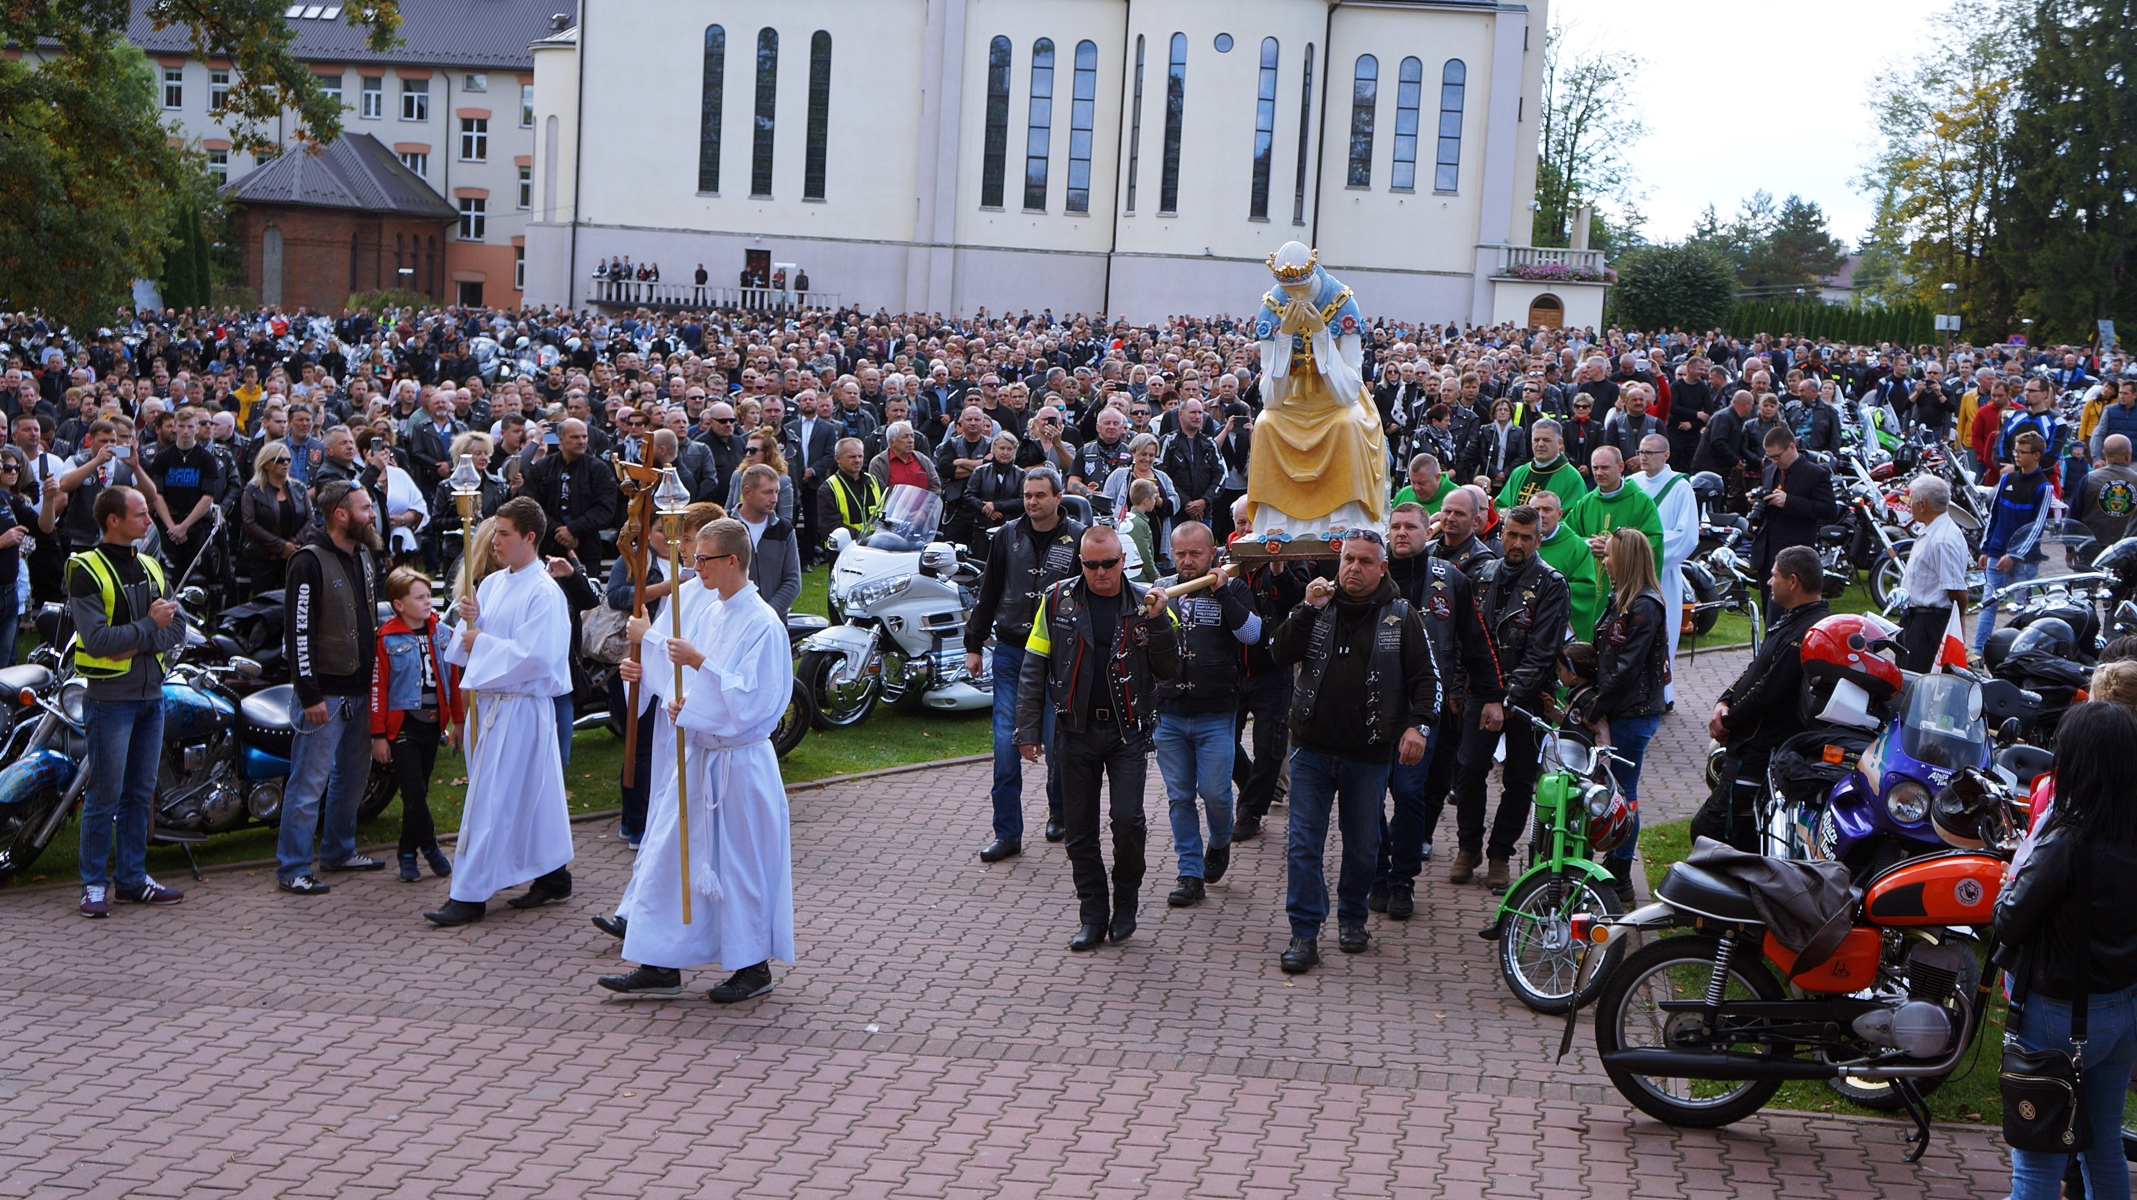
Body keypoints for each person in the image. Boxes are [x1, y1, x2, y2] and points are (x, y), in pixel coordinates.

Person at [600, 519, 798, 1004]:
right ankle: (661, 961)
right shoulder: (711, 611)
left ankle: (753, 966)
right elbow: (681, 676)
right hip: (700, 759)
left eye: (702, 558)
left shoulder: (763, 623)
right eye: (694, 557)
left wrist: (697, 666)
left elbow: (759, 700)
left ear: (733, 561)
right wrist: (670, 692)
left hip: (740, 765)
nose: (693, 566)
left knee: (739, 866)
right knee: (671, 857)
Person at [1269, 529, 1437, 972]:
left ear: (1381, 568)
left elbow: (1428, 681)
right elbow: (1279, 652)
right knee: (1303, 843)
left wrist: (1418, 726)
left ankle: (1352, 917)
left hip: (1369, 754)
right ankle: (1304, 933)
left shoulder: (1401, 616)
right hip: (1310, 748)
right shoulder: (1318, 607)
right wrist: (1307, 608)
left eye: (1365, 561)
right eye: (1348, 560)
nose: (1354, 569)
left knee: (1363, 845)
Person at [1993, 701, 2137, 1200]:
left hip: (2056, 1016)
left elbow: (2009, 921)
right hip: (2122, 1008)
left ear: (2076, 761)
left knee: (2035, 1171)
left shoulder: (2068, 840)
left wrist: (2008, 882)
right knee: (2104, 1151)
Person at [1014, 525, 1179, 951]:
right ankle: (1092, 912)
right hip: (1074, 730)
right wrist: (1028, 730)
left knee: (1127, 821)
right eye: (1091, 564)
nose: (1100, 572)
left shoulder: (1150, 601)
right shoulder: (1056, 601)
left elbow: (1173, 670)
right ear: (1081, 562)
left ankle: (1126, 902)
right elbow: (1034, 668)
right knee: (1079, 831)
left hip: (1128, 732)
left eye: (1108, 563)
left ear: (1123, 560)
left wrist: (1159, 621)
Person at [427, 497, 576, 926]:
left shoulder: (544, 592)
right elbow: (469, 645)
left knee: (490, 803)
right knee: (531, 798)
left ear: (529, 538)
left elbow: (540, 657)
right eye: (495, 531)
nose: (494, 541)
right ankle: (552, 876)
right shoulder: (491, 586)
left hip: (521, 709)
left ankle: (469, 895)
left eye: (504, 533)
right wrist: (470, 624)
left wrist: (482, 642)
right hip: (492, 708)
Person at [68, 486, 187, 916]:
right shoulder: (85, 568)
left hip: (150, 695)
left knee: (140, 793)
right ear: (113, 520)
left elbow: (178, 627)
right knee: (104, 793)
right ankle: (94, 883)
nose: (148, 520)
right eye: (140, 514)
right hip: (110, 700)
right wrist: (147, 627)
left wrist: (134, 641)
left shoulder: (151, 564)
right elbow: (97, 640)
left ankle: (132, 880)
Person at [1375, 502, 1497, 919]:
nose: (1402, 533)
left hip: (1422, 710)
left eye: (1411, 526)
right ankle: (1375, 873)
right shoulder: (1368, 574)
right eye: (1395, 526)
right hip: (1371, 708)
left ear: (1430, 531)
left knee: (1409, 795)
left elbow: (1477, 643)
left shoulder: (1451, 580)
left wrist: (1493, 694)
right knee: (1370, 797)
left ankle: (1402, 880)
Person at [965, 466, 1084, 859]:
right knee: (1004, 745)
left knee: (1058, 742)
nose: (1032, 502)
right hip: (1012, 653)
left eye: (1040, 495)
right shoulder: (1007, 535)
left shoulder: (1080, 539)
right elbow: (989, 590)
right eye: (1027, 495)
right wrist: (974, 644)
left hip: (1062, 657)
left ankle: (1062, 812)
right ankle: (1007, 833)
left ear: (1057, 498)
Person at [1450, 504, 1568, 893]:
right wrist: (1458, 686)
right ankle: (1469, 847)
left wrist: (1508, 700)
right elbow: (1463, 638)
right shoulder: (1481, 575)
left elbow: (1542, 651)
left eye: (1525, 537)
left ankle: (1500, 853)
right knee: (1468, 769)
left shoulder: (1552, 584)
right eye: (1511, 535)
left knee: (1518, 779)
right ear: (1501, 534)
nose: (1516, 543)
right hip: (1479, 691)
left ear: (1538, 540)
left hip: (1529, 696)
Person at [276, 480, 385, 894]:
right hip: (326, 694)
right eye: (365, 508)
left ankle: (339, 850)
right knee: (308, 783)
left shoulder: (363, 555)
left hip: (360, 688)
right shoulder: (307, 561)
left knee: (353, 777)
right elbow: (299, 632)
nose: (372, 515)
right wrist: (309, 695)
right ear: (341, 514)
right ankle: (292, 867)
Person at [1693, 545, 1830, 850]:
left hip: (1758, 752)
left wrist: (1729, 720)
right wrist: (1724, 699)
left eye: (1773, 576)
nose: (1769, 582)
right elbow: (1757, 669)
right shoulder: (1795, 619)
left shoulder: (1808, 630)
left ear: (1792, 581)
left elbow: (1769, 692)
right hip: (1749, 746)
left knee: (1709, 830)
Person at [1152, 522, 1257, 908]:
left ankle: (1219, 840)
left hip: (1215, 712)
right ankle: (1189, 873)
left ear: (1212, 552)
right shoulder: (1164, 589)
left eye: (1195, 553)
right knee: (1180, 797)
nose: (1187, 561)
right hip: (1170, 713)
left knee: (1214, 793)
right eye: (1180, 553)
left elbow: (1252, 635)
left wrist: (1224, 593)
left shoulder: (1232, 586)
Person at [1579, 529, 1669, 903]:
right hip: (1620, 708)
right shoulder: (1622, 598)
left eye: (1610, 555)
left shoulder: (1644, 605)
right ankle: (1615, 866)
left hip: (1633, 712)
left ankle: (1621, 870)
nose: (1604, 561)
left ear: (1627, 560)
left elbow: (1628, 667)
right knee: (1613, 788)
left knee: (1624, 793)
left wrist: (1596, 707)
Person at [370, 567, 460, 883]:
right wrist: (378, 735)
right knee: (412, 793)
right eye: (420, 597)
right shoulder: (386, 637)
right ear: (399, 604)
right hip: (403, 725)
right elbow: (378, 688)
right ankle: (430, 847)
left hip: (433, 725)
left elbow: (454, 680)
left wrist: (457, 722)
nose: (428, 603)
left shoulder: (441, 633)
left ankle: (407, 853)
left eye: (429, 596)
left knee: (418, 790)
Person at [1562, 446, 1663, 642]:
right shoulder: (1586, 502)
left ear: (1621, 467)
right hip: (1595, 588)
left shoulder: (1641, 501)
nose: (1599, 473)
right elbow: (1568, 537)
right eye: (1595, 467)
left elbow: (1654, 542)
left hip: (1628, 587)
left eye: (1605, 467)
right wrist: (1587, 543)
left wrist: (1613, 546)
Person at [1974, 430, 2056, 660]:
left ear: (2037, 455)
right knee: (1988, 603)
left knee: (2022, 607)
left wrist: (2014, 555)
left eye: (2022, 452)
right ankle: (1977, 650)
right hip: (1996, 552)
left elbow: (2036, 527)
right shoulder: (2007, 480)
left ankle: (2019, 653)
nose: (2017, 456)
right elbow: (1994, 515)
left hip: (2024, 560)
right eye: (2015, 451)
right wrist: (1986, 548)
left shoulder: (2043, 487)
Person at [1746, 425, 1837, 624]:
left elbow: (1829, 510)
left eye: (1777, 456)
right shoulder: (1771, 470)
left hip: (1795, 552)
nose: (1774, 461)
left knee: (1785, 615)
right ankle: (1769, 651)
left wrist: (1789, 502)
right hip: (1767, 550)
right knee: (1769, 613)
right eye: (1770, 457)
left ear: (1791, 447)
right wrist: (1759, 500)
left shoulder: (1816, 474)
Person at [1631, 434, 1698, 705]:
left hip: (1662, 573)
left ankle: (1661, 694)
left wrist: (1645, 551)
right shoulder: (1632, 484)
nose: (1644, 456)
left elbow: (1687, 535)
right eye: (1641, 451)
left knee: (1663, 631)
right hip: (1627, 571)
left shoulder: (1681, 488)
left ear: (1666, 455)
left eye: (1650, 452)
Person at [1893, 475, 1970, 673]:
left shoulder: (1942, 539)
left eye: (1911, 501)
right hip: (1916, 621)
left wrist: (1958, 627)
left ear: (1923, 505)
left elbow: (1957, 592)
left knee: (1919, 680)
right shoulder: (1932, 531)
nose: (1909, 505)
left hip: (1928, 626)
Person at [731, 463, 801, 622]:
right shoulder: (726, 528)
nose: (775, 499)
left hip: (774, 623)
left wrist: (766, 614)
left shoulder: (783, 530)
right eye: (768, 492)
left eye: (777, 492)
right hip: (735, 621)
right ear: (747, 492)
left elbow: (793, 580)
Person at [1493, 419, 1586, 513]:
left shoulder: (1572, 478)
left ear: (1560, 443)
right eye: (1536, 440)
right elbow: (1500, 505)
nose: (1540, 444)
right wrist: (1504, 513)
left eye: (1546, 440)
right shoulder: (1519, 472)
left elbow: (1574, 519)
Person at [2078, 433, 2137, 558]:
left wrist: (2070, 547)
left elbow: (2074, 515)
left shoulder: (2089, 479)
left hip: (2091, 547)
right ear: (2128, 455)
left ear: (2104, 454)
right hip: (2128, 551)